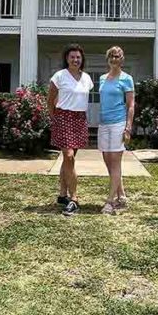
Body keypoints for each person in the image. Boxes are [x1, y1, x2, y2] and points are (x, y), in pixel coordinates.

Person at [48, 43, 92, 216]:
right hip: (63, 117)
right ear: (67, 58)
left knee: (68, 160)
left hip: (79, 119)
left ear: (82, 60)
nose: (76, 60)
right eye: (72, 57)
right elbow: (50, 100)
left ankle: (62, 195)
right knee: (69, 156)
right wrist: (54, 118)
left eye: (78, 57)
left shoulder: (87, 78)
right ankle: (74, 199)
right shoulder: (59, 76)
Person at [98, 46, 134, 215]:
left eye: (117, 56)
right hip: (103, 124)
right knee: (107, 160)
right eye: (112, 56)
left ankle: (110, 201)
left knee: (115, 161)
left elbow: (131, 105)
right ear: (108, 58)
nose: (114, 59)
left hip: (118, 123)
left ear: (122, 59)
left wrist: (128, 127)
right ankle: (121, 194)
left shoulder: (127, 79)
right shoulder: (102, 78)